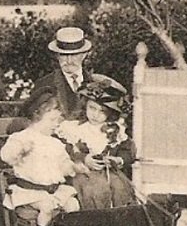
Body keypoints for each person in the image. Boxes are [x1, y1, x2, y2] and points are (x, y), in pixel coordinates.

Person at [0, 90, 85, 226]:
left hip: (52, 189)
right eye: (52, 121)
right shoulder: (21, 138)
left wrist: (73, 167)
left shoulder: (55, 143)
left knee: (73, 204)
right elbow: (6, 156)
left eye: (57, 121)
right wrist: (19, 151)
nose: (55, 125)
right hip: (28, 191)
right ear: (37, 116)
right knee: (47, 206)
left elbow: (63, 164)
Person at [56, 74, 135, 209]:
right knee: (94, 190)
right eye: (92, 108)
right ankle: (93, 224)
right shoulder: (73, 128)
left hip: (108, 174)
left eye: (102, 111)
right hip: (81, 173)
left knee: (120, 187)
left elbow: (128, 152)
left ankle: (117, 223)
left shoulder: (114, 131)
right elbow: (63, 151)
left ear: (110, 113)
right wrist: (83, 158)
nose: (96, 115)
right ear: (85, 105)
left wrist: (118, 160)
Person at [8, 26, 94, 133]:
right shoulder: (44, 85)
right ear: (57, 55)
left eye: (74, 55)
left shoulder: (95, 83)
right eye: (63, 55)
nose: (69, 60)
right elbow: (27, 120)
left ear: (84, 54)